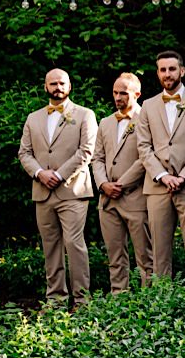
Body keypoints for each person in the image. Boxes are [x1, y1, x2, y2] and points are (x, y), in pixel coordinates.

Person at [17, 68, 98, 308]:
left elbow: (86, 150)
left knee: (74, 244)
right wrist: (41, 173)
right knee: (50, 246)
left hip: (72, 190)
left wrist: (60, 174)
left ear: (70, 86)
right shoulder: (33, 118)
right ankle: (55, 300)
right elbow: (24, 152)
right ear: (45, 87)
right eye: (52, 84)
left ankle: (82, 301)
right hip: (42, 191)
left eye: (62, 83)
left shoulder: (85, 115)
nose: (57, 87)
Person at [137, 50, 185, 279]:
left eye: (172, 69)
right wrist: (163, 176)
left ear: (182, 71)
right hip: (157, 187)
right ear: (158, 73)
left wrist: (183, 177)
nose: (167, 74)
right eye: (163, 70)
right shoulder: (148, 106)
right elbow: (143, 147)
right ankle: (163, 305)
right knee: (159, 254)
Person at [91, 72, 151, 293]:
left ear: (137, 94)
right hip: (107, 200)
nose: (118, 97)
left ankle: (150, 303)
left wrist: (121, 184)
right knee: (115, 257)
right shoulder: (105, 122)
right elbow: (97, 158)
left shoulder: (146, 119)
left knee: (146, 258)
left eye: (123, 93)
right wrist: (103, 184)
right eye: (115, 92)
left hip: (135, 197)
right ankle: (119, 302)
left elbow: (145, 157)